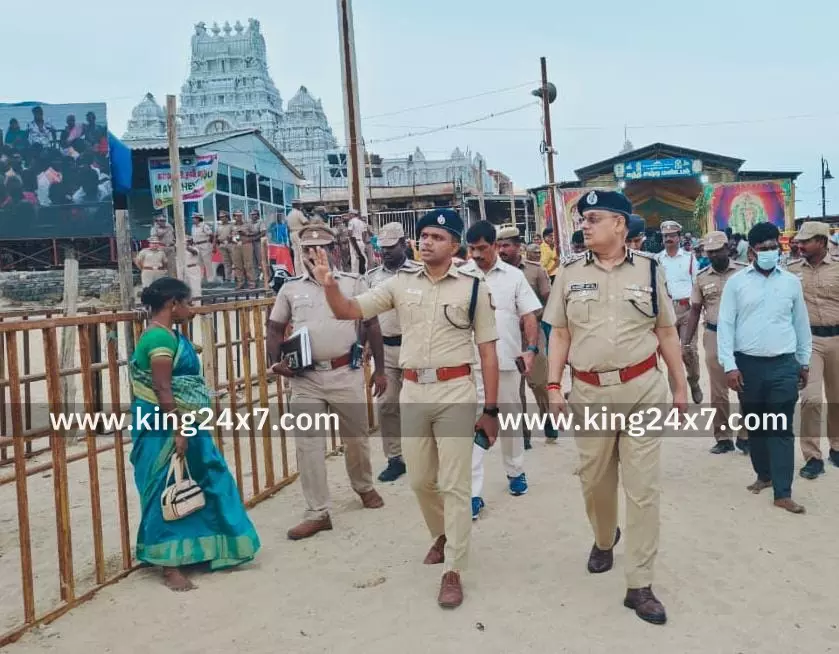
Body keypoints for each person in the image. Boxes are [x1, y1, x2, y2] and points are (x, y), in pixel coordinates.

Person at [314, 208, 499, 610]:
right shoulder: (400, 283)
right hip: (414, 392)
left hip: (455, 391)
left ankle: (454, 570)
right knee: (419, 481)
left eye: (437, 236)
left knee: (455, 485)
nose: (427, 241)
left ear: (454, 246)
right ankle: (444, 533)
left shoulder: (472, 286)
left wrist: (491, 409)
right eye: (424, 235)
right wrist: (328, 285)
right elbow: (350, 311)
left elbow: (487, 349)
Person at [544, 190, 686, 626]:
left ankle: (640, 584)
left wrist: (680, 388)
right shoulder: (568, 273)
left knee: (643, 490)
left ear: (620, 225)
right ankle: (605, 538)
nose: (585, 225)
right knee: (595, 483)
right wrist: (553, 385)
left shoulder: (649, 269)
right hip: (588, 393)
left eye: (594, 218)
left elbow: (665, 333)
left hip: (643, 387)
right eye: (583, 218)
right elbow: (561, 335)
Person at [129, 278, 260, 592]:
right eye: (187, 302)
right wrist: (178, 428)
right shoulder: (159, 339)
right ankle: (169, 565)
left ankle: (203, 548)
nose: (191, 309)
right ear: (173, 304)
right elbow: (162, 387)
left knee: (203, 477)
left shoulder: (170, 335)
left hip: (184, 420)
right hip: (163, 424)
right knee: (165, 485)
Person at [266, 225, 386, 540]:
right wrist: (274, 362)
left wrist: (381, 369)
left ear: (333, 250)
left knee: (357, 439)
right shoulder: (290, 289)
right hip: (305, 378)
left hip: (345, 373)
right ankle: (317, 512)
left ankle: (363, 486)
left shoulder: (352, 282)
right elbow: (275, 327)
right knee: (308, 445)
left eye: (320, 248)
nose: (312, 254)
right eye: (307, 249)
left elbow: (371, 324)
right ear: (300, 251)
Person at [717, 221, 812, 515]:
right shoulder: (736, 283)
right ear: (752, 252)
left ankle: (783, 492)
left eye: (774, 247)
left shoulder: (791, 282)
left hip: (784, 364)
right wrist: (730, 366)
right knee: (756, 425)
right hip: (748, 366)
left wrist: (803, 360)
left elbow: (801, 325)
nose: (770, 252)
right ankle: (764, 476)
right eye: (764, 248)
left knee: (781, 428)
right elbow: (726, 326)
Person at [462, 221, 541, 519]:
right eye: (472, 249)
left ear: (495, 246)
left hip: (506, 362)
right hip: (470, 366)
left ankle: (515, 470)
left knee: (509, 422)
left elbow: (529, 316)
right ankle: (472, 494)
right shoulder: (460, 276)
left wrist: (530, 350)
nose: (477, 254)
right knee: (472, 427)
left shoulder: (514, 277)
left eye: (482, 248)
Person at [682, 231, 748, 454]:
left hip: (742, 336)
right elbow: (694, 310)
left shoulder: (744, 272)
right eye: (709, 252)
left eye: (717, 251)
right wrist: (685, 342)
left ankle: (746, 435)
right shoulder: (701, 277)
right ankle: (723, 437)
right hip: (714, 334)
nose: (712, 255)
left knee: (744, 386)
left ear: (728, 248)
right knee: (718, 389)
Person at [366, 222, 420, 482]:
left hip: (416, 347)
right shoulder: (373, 277)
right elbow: (367, 315)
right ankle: (395, 458)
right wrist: (363, 343)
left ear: (404, 243)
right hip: (385, 349)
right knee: (387, 403)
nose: (385, 252)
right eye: (382, 248)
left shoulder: (420, 273)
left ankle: (425, 454)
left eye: (391, 247)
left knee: (419, 404)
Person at [786, 221, 839, 478]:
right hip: (809, 342)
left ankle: (837, 447)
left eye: (806, 241)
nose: (800, 244)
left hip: (838, 338)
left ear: (822, 241)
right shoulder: (792, 271)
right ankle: (812, 456)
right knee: (811, 398)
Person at [496, 226, 557, 445]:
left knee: (539, 382)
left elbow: (548, 300)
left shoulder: (535, 271)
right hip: (507, 337)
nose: (501, 250)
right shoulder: (495, 273)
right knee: (514, 387)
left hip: (533, 335)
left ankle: (547, 418)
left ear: (518, 247)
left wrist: (530, 316)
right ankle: (523, 434)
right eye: (499, 246)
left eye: (506, 246)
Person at [656, 220, 702, 403]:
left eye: (672, 235)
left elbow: (696, 283)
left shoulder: (689, 258)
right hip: (666, 311)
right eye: (666, 236)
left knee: (688, 350)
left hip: (686, 309)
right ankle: (677, 395)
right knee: (671, 354)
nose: (669, 238)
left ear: (679, 238)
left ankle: (694, 381)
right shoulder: (658, 260)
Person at [231, 210, 257, 289]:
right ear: (234, 217)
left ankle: (251, 282)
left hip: (246, 244)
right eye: (237, 215)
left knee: (248, 264)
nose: (239, 217)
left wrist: (246, 234)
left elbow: (255, 233)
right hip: (236, 245)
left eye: (240, 215)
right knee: (237, 265)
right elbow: (230, 235)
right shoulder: (232, 226)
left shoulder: (247, 224)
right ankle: (240, 282)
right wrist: (230, 237)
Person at [191, 212, 216, 282]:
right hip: (196, 246)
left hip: (205, 245)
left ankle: (210, 280)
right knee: (199, 263)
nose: (193, 219)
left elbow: (211, 235)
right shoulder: (193, 227)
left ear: (199, 219)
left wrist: (211, 244)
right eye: (193, 218)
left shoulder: (204, 226)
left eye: (194, 218)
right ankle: (201, 278)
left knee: (207, 263)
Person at [286, 200, 310, 273]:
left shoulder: (289, 214)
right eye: (300, 205)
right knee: (302, 253)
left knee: (296, 255)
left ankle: (298, 273)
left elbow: (287, 226)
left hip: (292, 234)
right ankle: (304, 272)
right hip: (299, 233)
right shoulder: (298, 213)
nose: (301, 206)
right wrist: (307, 216)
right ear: (297, 205)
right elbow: (306, 222)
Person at [215, 210, 234, 282]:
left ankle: (236, 278)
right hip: (221, 245)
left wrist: (230, 238)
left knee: (235, 262)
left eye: (223, 217)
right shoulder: (219, 226)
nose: (221, 218)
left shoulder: (231, 225)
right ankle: (227, 279)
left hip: (230, 244)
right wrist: (216, 244)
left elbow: (235, 234)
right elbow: (216, 236)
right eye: (220, 217)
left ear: (227, 217)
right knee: (226, 263)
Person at [348, 210, 369, 274]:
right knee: (362, 256)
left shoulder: (351, 221)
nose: (349, 215)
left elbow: (350, 232)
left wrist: (351, 241)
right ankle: (364, 272)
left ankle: (355, 274)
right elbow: (364, 233)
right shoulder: (361, 222)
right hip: (361, 241)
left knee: (354, 259)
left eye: (350, 214)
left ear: (353, 214)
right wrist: (363, 242)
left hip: (354, 241)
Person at [250, 209, 267, 281]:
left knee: (261, 260)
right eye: (252, 214)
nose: (253, 216)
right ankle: (256, 277)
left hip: (258, 243)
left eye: (255, 214)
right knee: (253, 261)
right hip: (251, 243)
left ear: (258, 215)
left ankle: (265, 276)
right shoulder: (249, 223)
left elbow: (263, 232)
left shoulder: (261, 222)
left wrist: (255, 237)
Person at [184, 237, 203, 303]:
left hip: (193, 268)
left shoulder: (195, 248)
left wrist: (185, 246)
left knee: (196, 288)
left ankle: (198, 305)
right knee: (186, 288)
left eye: (187, 241)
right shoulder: (180, 250)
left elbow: (194, 252)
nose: (186, 242)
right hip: (184, 269)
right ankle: (189, 305)